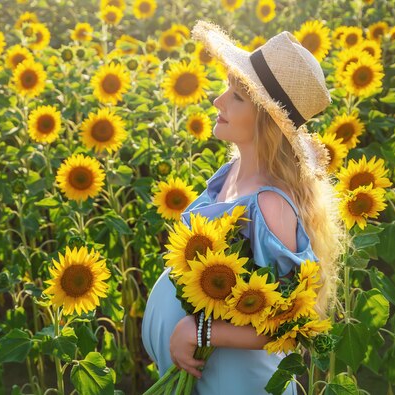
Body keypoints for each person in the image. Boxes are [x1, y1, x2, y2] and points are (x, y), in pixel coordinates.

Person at [141, 20, 350, 394]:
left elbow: (290, 322)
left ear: (267, 123)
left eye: (236, 96)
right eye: (226, 88)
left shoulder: (270, 205)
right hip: (203, 375)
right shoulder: (231, 172)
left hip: (236, 382)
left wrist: (199, 330)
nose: (217, 101)